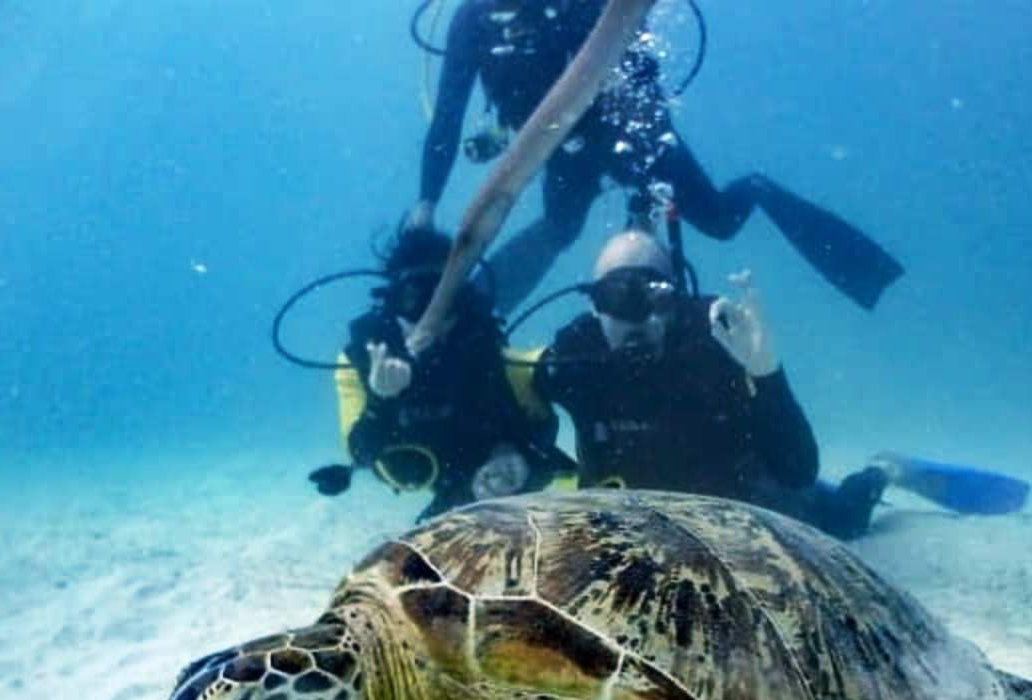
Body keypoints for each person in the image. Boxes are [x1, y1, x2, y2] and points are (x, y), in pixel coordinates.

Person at [408, 0, 904, 314]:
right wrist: (426, 205)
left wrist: (635, 126)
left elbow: (641, 66)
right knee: (561, 228)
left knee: (719, 222)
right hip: (564, 152)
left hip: (631, 136)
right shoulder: (472, 21)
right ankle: (470, 315)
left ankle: (763, 195)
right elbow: (446, 118)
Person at [528, 230, 890, 539]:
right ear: (594, 305)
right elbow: (513, 421)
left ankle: (881, 472)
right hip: (630, 522)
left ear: (675, 299)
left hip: (741, 509)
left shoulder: (717, 339)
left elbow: (797, 470)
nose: (637, 317)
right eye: (616, 298)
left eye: (653, 295)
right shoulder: (574, 355)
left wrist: (767, 374)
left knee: (845, 522)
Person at [310, 227, 573, 519]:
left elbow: (546, 376)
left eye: (445, 298)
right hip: (432, 478)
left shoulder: (489, 353)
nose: (430, 318)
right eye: (414, 299)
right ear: (392, 302)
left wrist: (520, 457)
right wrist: (379, 400)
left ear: (462, 299)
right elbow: (360, 452)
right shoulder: (359, 361)